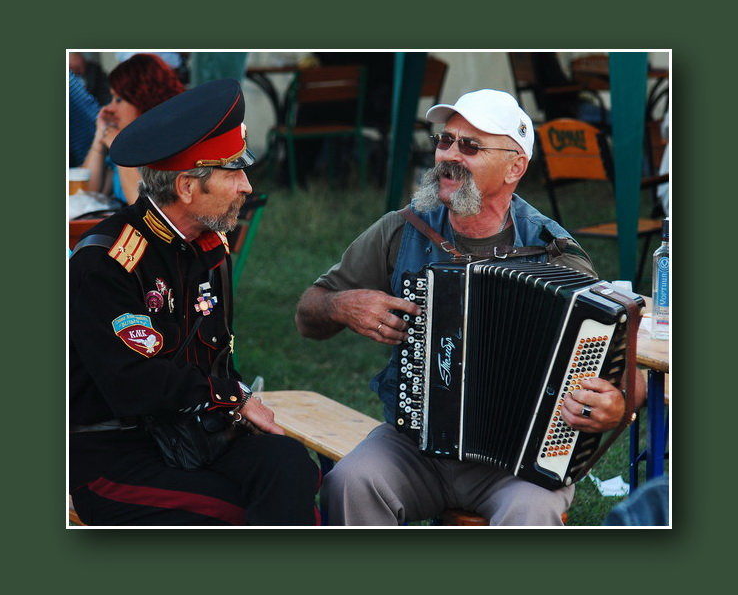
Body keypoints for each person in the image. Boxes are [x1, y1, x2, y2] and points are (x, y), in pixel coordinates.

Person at [295, 89, 645, 526]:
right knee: (350, 481)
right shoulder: (403, 230)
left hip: (521, 463)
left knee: (532, 511)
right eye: (445, 140)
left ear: (515, 167)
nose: (449, 154)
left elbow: (628, 369)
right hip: (413, 445)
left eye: (470, 145)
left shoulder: (554, 254)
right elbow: (308, 314)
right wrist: (340, 305)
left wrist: (618, 403)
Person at [69, 79, 319, 526]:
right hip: (116, 454)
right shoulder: (109, 261)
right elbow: (132, 384)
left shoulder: (208, 243)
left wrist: (233, 396)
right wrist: (232, 398)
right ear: (186, 186)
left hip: (196, 435)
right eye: (233, 173)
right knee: (236, 512)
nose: (247, 186)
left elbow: (215, 351)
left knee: (292, 467)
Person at [82, 53, 186, 205]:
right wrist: (99, 138)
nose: (110, 108)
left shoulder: (170, 146)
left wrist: (120, 151)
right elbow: (85, 195)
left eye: (118, 99)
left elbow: (146, 207)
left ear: (143, 99)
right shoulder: (129, 140)